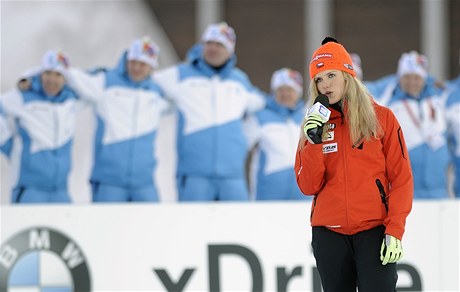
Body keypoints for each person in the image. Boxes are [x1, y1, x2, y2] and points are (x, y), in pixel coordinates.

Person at [295, 37, 413, 291]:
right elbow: (307, 185)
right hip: (329, 235)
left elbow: (402, 178)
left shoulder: (383, 118)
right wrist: (313, 142)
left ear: (348, 74)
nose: (325, 84)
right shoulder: (313, 124)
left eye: (331, 75)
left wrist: (395, 229)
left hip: (374, 232)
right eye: (318, 79)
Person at [154, 22, 265, 202]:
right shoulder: (180, 74)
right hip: (194, 173)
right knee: (193, 227)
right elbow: (145, 85)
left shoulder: (239, 80)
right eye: (209, 43)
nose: (213, 48)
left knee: (238, 226)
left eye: (219, 44)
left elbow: (261, 103)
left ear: (230, 51)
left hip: (232, 174)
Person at [66, 37, 170, 202]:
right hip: (110, 180)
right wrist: (31, 82)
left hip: (144, 181)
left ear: (151, 67)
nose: (136, 68)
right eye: (133, 62)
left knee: (151, 226)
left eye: (142, 64)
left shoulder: (157, 92)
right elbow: (69, 75)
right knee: (107, 227)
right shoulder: (106, 82)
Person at [368, 51, 450, 199]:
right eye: (407, 77)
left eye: (417, 78)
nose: (412, 82)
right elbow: (365, 88)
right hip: (405, 187)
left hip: (439, 187)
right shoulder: (388, 100)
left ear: (424, 79)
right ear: (399, 78)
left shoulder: (439, 96)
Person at [0, 50, 79, 203]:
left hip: (60, 189)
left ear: (65, 78)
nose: (52, 80)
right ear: (40, 74)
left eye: (58, 75)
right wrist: (6, 142)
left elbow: (91, 82)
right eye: (47, 73)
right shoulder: (24, 96)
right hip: (30, 188)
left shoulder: (70, 100)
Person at [244, 68, 307, 200]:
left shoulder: (306, 117)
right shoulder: (259, 117)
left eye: (290, 90)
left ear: (298, 92)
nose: (285, 94)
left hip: (303, 190)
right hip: (268, 191)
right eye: (280, 90)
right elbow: (239, 147)